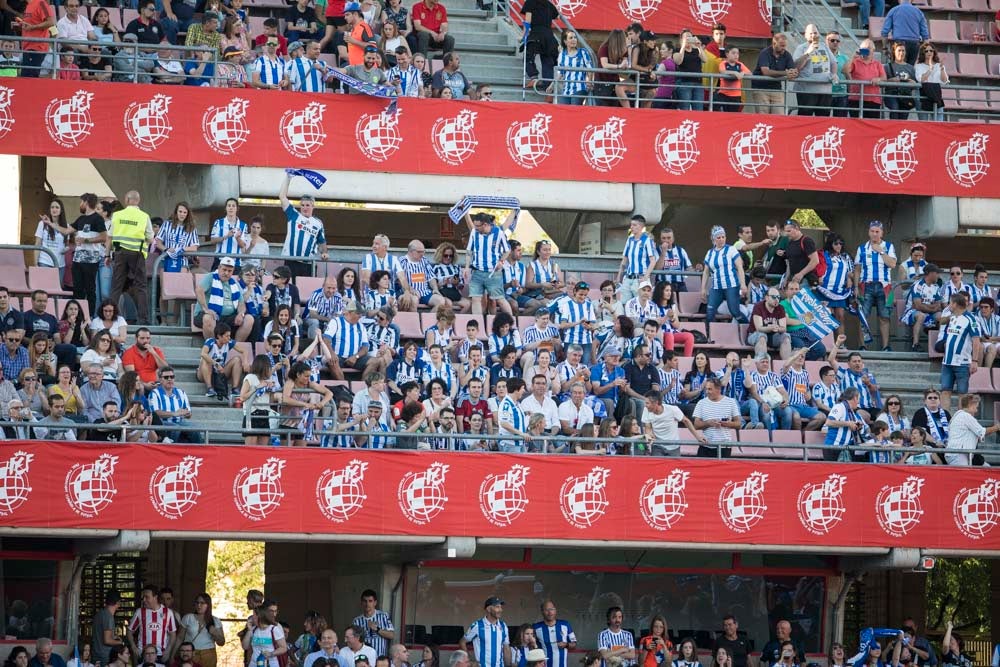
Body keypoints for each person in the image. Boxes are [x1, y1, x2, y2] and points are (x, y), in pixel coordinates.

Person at [108, 190, 154, 324]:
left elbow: (110, 236)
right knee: (141, 287)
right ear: (138, 201)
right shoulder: (144, 216)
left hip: (120, 253)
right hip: (138, 254)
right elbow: (151, 238)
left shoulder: (116, 215)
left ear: (126, 200)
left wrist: (107, 254)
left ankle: (111, 317)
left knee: (116, 286)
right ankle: (143, 320)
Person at [854, 221, 897, 351]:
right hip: (865, 285)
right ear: (869, 232)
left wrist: (881, 252)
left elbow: (893, 264)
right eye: (872, 231)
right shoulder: (861, 248)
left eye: (877, 231)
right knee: (863, 316)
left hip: (884, 286)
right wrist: (855, 287)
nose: (874, 234)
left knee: (884, 316)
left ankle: (885, 346)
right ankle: (862, 346)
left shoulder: (888, 246)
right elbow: (857, 269)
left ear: (882, 233)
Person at [278, 172, 329, 279]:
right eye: (302, 205)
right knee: (290, 290)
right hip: (291, 261)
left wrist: (324, 252)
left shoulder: (318, 223)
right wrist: (288, 178)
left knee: (306, 292)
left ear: (313, 206)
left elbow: (321, 242)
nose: (305, 207)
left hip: (308, 264)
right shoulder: (294, 215)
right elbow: (282, 197)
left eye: (307, 205)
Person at [702, 226, 748, 338]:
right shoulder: (710, 253)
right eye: (718, 237)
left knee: (735, 311)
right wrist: (703, 288)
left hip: (731, 285)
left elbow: (740, 267)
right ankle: (711, 336)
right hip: (716, 286)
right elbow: (706, 271)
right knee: (710, 311)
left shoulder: (731, 249)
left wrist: (743, 284)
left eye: (723, 237)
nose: (721, 239)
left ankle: (749, 329)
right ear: (713, 239)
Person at [194, 257, 255, 342]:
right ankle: (213, 347)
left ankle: (234, 347)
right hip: (209, 314)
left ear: (233, 271)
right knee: (208, 318)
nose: (226, 273)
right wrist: (206, 309)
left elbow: (241, 302)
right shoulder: (210, 277)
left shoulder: (234, 283)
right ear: (219, 268)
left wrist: (241, 314)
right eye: (224, 269)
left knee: (249, 319)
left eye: (229, 271)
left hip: (228, 317)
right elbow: (199, 290)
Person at [939, 293, 979, 411]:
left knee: (963, 394)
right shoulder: (953, 317)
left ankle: (960, 421)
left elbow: (976, 340)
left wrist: (975, 360)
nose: (949, 305)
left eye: (951, 303)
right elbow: (941, 321)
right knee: (945, 391)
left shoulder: (970, 319)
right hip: (947, 361)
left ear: (955, 304)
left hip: (962, 362)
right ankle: (946, 419)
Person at [642, 390, 705, 456]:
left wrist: (698, 437)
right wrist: (649, 434)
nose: (645, 405)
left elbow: (686, 421)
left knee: (675, 466)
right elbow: (648, 426)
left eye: (647, 403)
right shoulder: (646, 410)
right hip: (657, 446)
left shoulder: (672, 409)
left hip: (673, 447)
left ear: (656, 403)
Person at [791, 24, 836, 116]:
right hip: (807, 90)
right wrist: (808, 52)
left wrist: (834, 74)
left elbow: (833, 62)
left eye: (815, 33)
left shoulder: (824, 46)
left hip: (825, 90)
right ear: (805, 35)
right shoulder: (801, 48)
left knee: (823, 118)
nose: (813, 35)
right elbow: (796, 66)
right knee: (806, 116)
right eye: (811, 33)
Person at [946, 394, 999, 465]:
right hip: (959, 454)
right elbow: (981, 432)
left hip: (957, 454)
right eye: (976, 407)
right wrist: (997, 427)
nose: (976, 410)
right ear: (971, 405)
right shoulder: (966, 416)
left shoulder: (959, 415)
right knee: (963, 475)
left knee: (986, 467)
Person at [751, 33, 797, 114]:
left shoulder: (787, 54)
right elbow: (766, 72)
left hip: (776, 89)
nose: (784, 48)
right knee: (763, 117)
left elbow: (792, 70)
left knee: (779, 117)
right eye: (782, 45)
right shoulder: (764, 53)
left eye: (785, 45)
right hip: (761, 89)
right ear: (774, 44)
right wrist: (786, 73)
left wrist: (794, 73)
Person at [616, 215, 657, 303]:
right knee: (624, 303)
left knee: (641, 303)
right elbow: (624, 260)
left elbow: (653, 261)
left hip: (640, 277)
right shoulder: (629, 240)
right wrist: (619, 276)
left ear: (641, 227)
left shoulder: (647, 240)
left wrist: (646, 276)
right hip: (628, 277)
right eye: (631, 225)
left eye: (634, 225)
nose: (631, 227)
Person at [460, 597, 511, 667]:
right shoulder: (477, 625)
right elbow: (462, 642)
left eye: (501, 607)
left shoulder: (503, 626)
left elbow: (506, 648)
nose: (501, 610)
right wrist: (470, 661)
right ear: (489, 609)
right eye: (497, 607)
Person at [844, 40, 887, 118]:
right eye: (864, 48)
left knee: (872, 127)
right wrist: (853, 56)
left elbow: (884, 78)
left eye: (869, 48)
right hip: (856, 99)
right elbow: (844, 71)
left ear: (873, 50)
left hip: (873, 100)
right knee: (856, 126)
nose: (867, 50)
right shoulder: (855, 61)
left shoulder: (877, 64)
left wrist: (878, 79)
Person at [242, 601, 287, 667]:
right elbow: (245, 646)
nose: (252, 617)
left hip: (270, 663)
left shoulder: (274, 629)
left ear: (260, 616)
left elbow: (283, 648)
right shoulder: (254, 629)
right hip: (254, 663)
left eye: (254, 615)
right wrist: (249, 630)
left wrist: (271, 654)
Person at [532, 601, 576, 667]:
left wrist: (566, 644)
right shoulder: (536, 627)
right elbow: (531, 647)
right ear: (542, 612)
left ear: (555, 610)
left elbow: (574, 644)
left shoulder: (565, 625)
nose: (550, 612)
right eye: (546, 610)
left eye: (552, 609)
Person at [352, 590, 394, 658]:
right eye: (365, 601)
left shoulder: (383, 616)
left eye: (370, 601)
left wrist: (377, 629)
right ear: (361, 603)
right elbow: (353, 641)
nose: (367, 604)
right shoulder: (357, 621)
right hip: (364, 660)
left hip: (380, 659)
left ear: (375, 602)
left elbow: (391, 635)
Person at [884, 42, 917, 119]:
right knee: (894, 109)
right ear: (894, 52)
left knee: (903, 117)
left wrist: (913, 83)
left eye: (903, 51)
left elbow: (916, 85)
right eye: (899, 50)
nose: (901, 53)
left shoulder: (911, 68)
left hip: (905, 95)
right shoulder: (887, 66)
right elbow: (882, 82)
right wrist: (891, 81)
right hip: (892, 94)